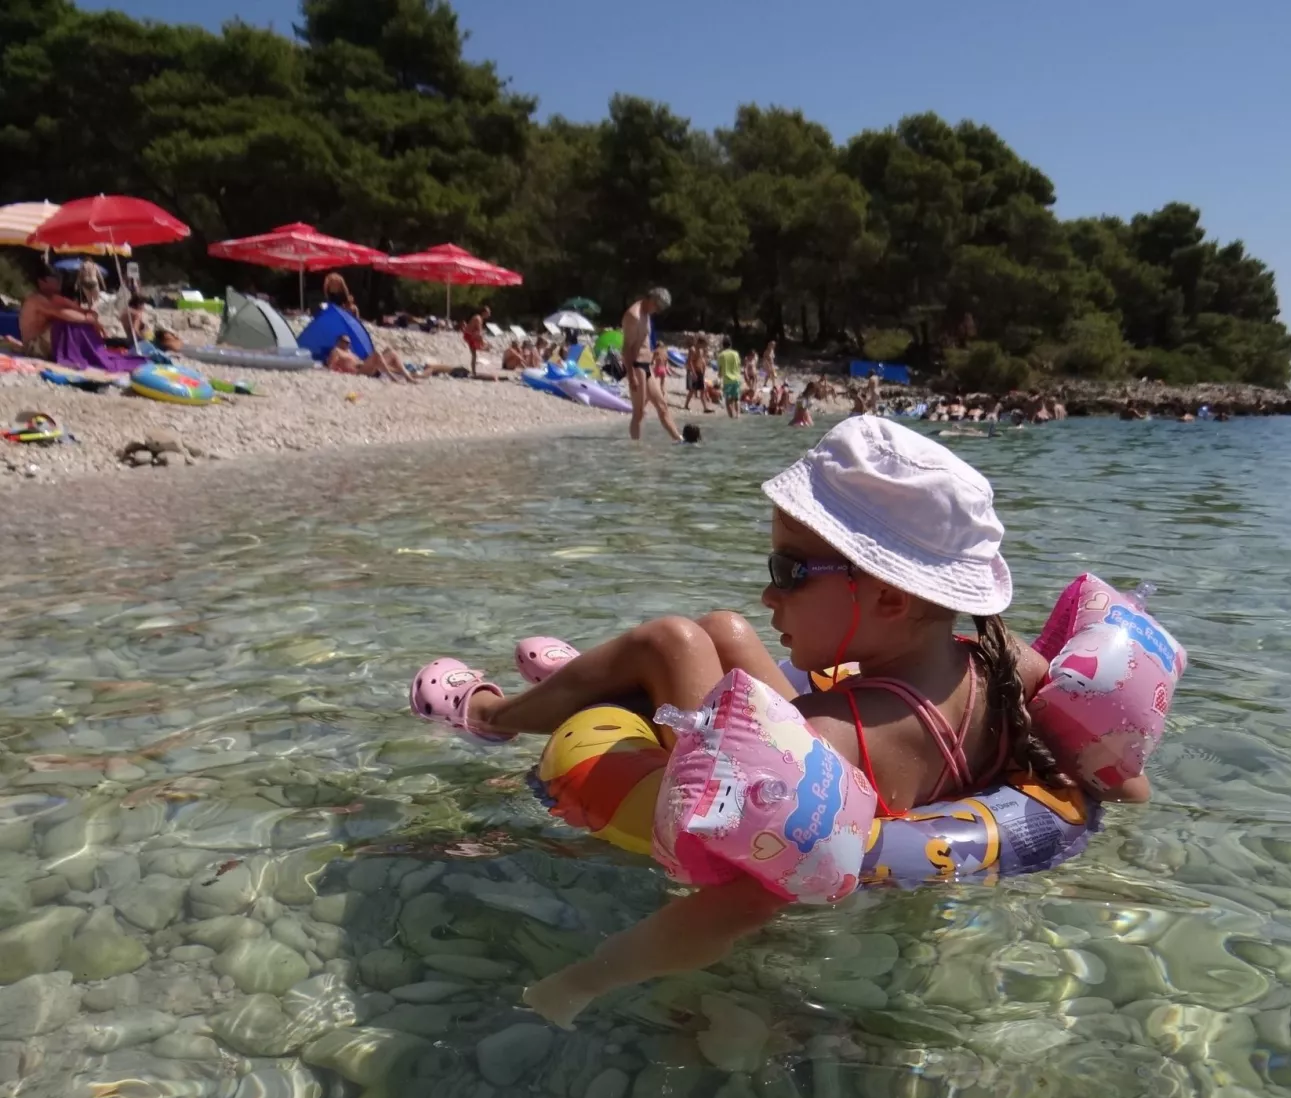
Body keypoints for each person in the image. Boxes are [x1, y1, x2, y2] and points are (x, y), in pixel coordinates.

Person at [408, 417, 1150, 1027]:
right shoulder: (1000, 659)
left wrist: (580, 982)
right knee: (726, 629)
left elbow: (739, 904)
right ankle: (591, 680)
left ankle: (492, 713)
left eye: (789, 572)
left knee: (672, 641)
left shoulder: (833, 730)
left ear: (891, 599)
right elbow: (1119, 773)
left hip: (779, 765)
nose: (772, 596)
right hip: (882, 749)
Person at [622, 288, 681, 442]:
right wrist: (631, 376)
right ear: (652, 300)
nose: (658, 311)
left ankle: (679, 440)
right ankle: (636, 449)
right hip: (636, 366)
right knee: (639, 412)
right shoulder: (633, 316)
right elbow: (626, 348)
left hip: (647, 366)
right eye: (658, 307)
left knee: (662, 406)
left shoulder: (646, 314)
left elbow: (644, 341)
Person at [328, 333, 414, 381]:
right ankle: (392, 376)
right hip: (358, 372)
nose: (348, 344)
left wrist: (361, 362)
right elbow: (331, 367)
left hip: (363, 366)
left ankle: (408, 377)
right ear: (339, 341)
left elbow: (357, 360)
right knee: (376, 353)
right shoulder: (336, 351)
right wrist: (341, 370)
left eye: (349, 342)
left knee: (390, 351)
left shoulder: (349, 351)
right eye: (346, 342)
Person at [716, 336, 742, 419]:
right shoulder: (736, 354)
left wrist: (719, 375)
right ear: (730, 345)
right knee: (736, 399)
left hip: (727, 380)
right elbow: (739, 366)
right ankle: (738, 415)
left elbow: (720, 370)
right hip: (737, 379)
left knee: (728, 401)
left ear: (723, 345)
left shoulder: (721, 355)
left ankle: (732, 418)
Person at [462, 306, 490, 376]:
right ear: (484, 313)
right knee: (474, 354)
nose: (489, 314)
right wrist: (483, 342)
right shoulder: (478, 319)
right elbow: (479, 333)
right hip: (469, 335)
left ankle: (474, 371)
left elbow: (478, 332)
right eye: (488, 312)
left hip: (471, 335)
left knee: (474, 354)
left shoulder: (479, 318)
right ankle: (474, 372)